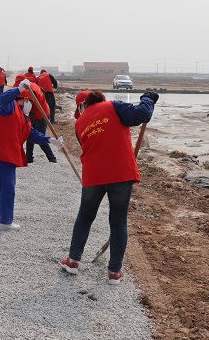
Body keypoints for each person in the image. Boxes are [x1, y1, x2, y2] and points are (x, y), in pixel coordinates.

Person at [60, 90, 158, 284]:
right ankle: (114, 272)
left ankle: (73, 261)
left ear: (82, 105)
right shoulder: (114, 106)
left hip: (94, 175)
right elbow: (142, 114)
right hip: (120, 174)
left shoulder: (79, 124)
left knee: (85, 217)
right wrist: (148, 98)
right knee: (118, 221)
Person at [0, 79, 64, 230]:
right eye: (31, 103)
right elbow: (2, 99)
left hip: (8, 155)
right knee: (8, 186)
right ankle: (5, 222)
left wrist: (51, 140)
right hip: (0, 153)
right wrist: (18, 89)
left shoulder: (24, 117)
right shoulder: (10, 107)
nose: (31, 107)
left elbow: (33, 134)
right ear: (25, 99)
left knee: (7, 184)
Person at [23, 82, 57, 163]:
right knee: (30, 135)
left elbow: (29, 109)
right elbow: (42, 90)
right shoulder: (32, 86)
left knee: (40, 137)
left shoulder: (31, 91)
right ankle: (29, 157)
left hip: (41, 116)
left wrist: (26, 121)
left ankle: (52, 159)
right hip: (40, 112)